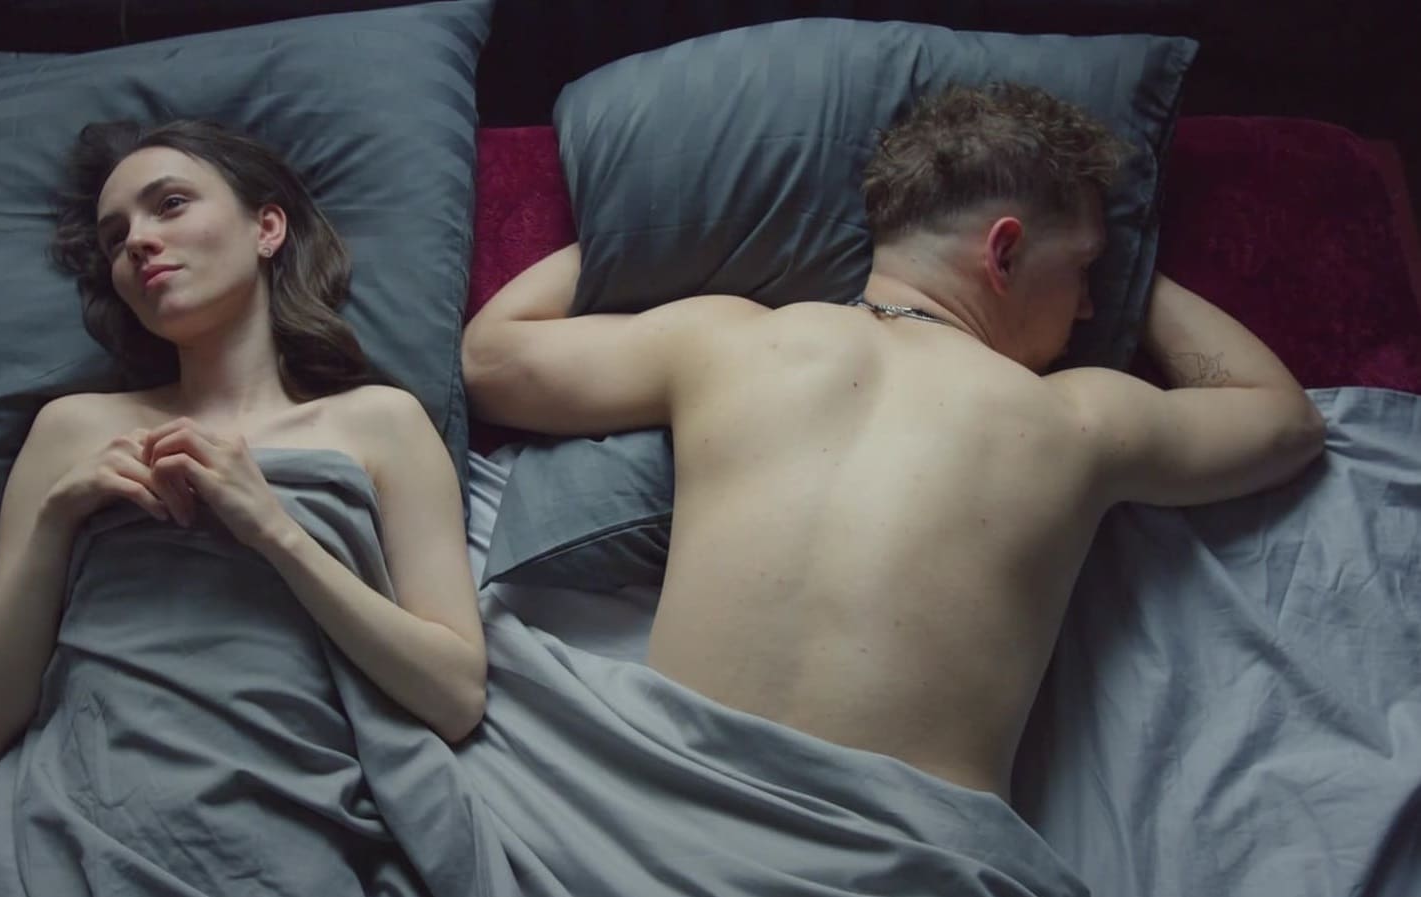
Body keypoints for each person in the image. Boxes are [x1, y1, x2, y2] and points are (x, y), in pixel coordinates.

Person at [461, 83, 1325, 801]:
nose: (1093, 305)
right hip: (901, 857)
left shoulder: (730, 342)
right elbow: (1283, 419)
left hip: (661, 836)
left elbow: (492, 356)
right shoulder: (1075, 419)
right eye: (1086, 267)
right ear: (1005, 251)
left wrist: (665, 235)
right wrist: (1146, 276)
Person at [0, 119, 486, 754]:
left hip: (308, 789)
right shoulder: (71, 430)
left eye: (170, 204)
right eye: (115, 237)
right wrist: (56, 518)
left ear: (267, 228)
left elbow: (456, 699)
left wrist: (273, 529)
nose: (137, 242)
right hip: (84, 793)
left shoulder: (383, 422)